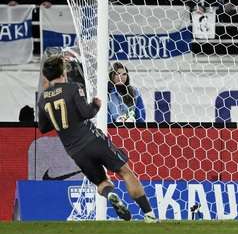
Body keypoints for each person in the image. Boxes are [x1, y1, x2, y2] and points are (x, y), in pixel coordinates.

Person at [37, 55, 157, 223]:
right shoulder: (73, 88)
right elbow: (87, 113)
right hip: (93, 139)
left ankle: (111, 195)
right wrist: (96, 105)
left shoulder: (43, 98)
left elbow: (43, 128)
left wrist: (59, 120)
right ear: (62, 71)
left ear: (46, 75)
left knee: (101, 183)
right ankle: (149, 215)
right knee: (125, 172)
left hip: (74, 150)